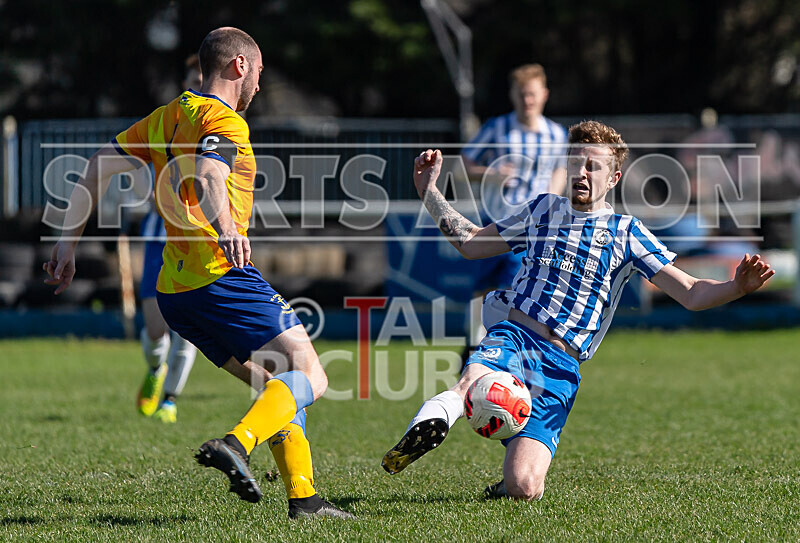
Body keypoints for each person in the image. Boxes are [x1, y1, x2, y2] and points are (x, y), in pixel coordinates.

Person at [43, 27, 353, 519]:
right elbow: (211, 174)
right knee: (310, 375)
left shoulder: (167, 116)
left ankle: (305, 499)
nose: (258, 88)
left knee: (274, 383)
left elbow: (98, 166)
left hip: (175, 291)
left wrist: (66, 242)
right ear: (239, 67)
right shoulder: (226, 121)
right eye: (258, 76)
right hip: (220, 275)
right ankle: (238, 443)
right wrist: (228, 228)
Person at [381, 121, 774, 500]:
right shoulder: (540, 211)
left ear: (614, 178)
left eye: (593, 166)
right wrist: (429, 191)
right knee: (471, 379)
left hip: (561, 367)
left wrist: (736, 286)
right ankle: (429, 424)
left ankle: (504, 483)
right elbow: (470, 243)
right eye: (574, 163)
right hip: (515, 334)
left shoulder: (626, 232)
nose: (581, 173)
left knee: (524, 487)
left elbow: (689, 292)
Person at [461, 63, 568, 356]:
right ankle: (474, 345)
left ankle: (504, 349)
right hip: (495, 219)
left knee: (517, 286)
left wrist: (550, 203)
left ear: (544, 95)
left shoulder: (556, 134)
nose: (527, 101)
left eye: (532, 95)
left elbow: (559, 170)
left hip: (530, 227)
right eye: (522, 95)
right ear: (513, 95)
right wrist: (490, 173)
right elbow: (464, 164)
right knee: (483, 289)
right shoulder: (498, 127)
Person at [136, 54, 202, 424]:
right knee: (155, 327)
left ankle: (170, 400)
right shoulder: (167, 122)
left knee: (186, 326)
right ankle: (154, 370)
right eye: (193, 80)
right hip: (159, 233)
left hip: (197, 237)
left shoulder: (223, 127)